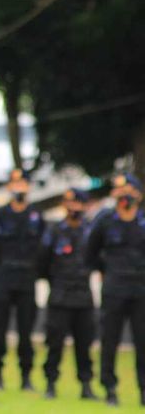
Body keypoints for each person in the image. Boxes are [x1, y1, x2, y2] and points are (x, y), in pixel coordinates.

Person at [87, 173, 145, 407]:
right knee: (110, 341)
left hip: (141, 290)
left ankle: (143, 390)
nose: (124, 195)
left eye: (128, 190)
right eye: (119, 190)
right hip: (114, 289)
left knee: (142, 343)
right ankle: (109, 388)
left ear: (138, 195)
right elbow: (90, 253)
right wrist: (106, 271)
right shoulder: (105, 221)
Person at [38, 188, 97, 400]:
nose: (72, 208)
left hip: (83, 296)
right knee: (55, 343)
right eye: (68, 203)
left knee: (84, 344)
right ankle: (51, 383)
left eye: (76, 203)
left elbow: (99, 258)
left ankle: (86, 385)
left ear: (84, 205)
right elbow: (42, 263)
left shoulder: (91, 231)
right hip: (60, 295)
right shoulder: (54, 231)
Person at [0, 168, 45, 391]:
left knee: (26, 331)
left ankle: (26, 377)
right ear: (8, 187)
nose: (19, 188)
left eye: (23, 184)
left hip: (26, 279)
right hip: (3, 278)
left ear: (29, 187)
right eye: (15, 184)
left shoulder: (36, 216)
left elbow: (43, 249)